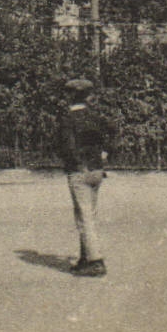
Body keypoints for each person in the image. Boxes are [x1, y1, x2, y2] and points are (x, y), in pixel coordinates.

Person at [55, 77, 112, 277]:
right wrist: (101, 157)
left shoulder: (67, 119)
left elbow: (67, 148)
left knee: (83, 216)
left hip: (79, 171)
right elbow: (109, 139)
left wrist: (77, 163)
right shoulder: (95, 117)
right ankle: (85, 258)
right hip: (97, 171)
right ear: (87, 96)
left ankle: (96, 261)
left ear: (70, 96)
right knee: (88, 215)